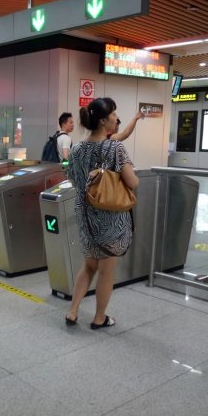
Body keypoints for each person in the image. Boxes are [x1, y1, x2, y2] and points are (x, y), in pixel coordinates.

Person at [65, 98, 139, 329]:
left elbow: (73, 179)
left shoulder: (76, 148)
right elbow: (133, 182)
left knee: (88, 266)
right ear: (104, 120)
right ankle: (99, 318)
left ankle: (73, 311)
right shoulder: (115, 148)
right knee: (106, 271)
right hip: (110, 218)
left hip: (86, 216)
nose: (117, 118)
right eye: (114, 114)